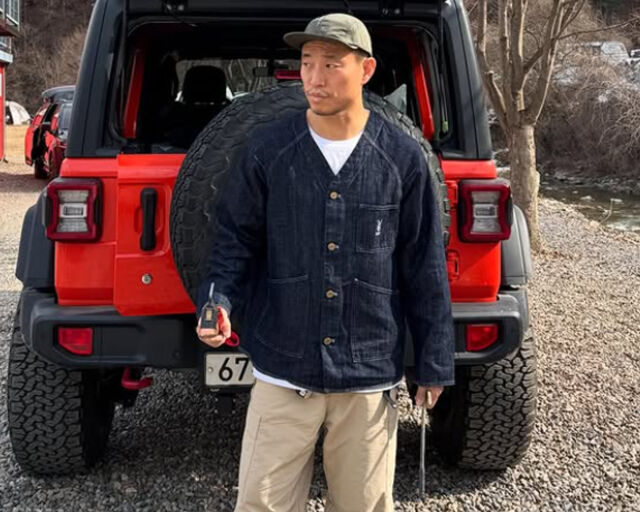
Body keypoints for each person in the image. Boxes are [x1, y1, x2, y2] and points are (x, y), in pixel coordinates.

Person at [195, 12, 455, 512]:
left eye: (331, 63)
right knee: (260, 504)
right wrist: (217, 300)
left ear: (366, 69)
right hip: (282, 368)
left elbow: (424, 266)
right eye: (307, 62)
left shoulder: (402, 159)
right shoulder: (268, 150)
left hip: (368, 375)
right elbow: (233, 239)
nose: (314, 77)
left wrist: (434, 362)